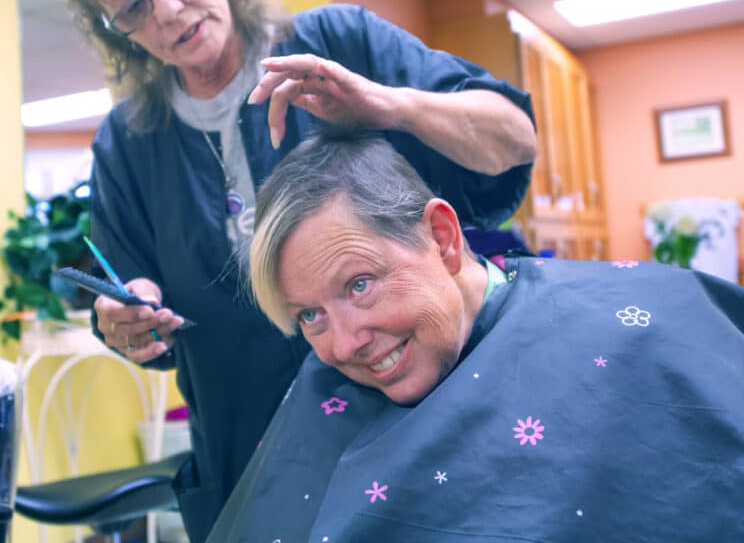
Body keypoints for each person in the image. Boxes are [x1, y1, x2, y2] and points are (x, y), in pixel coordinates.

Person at [56, 0, 537, 538]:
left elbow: (514, 139)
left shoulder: (335, 43)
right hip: (250, 454)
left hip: (412, 426)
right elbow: (132, 289)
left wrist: (391, 106)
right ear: (116, 32)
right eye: (132, 7)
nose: (165, 11)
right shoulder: (127, 142)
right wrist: (131, 316)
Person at [208, 129, 744, 541]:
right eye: (310, 316)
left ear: (441, 238)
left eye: (361, 284)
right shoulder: (325, 391)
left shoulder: (638, 326)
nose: (344, 345)